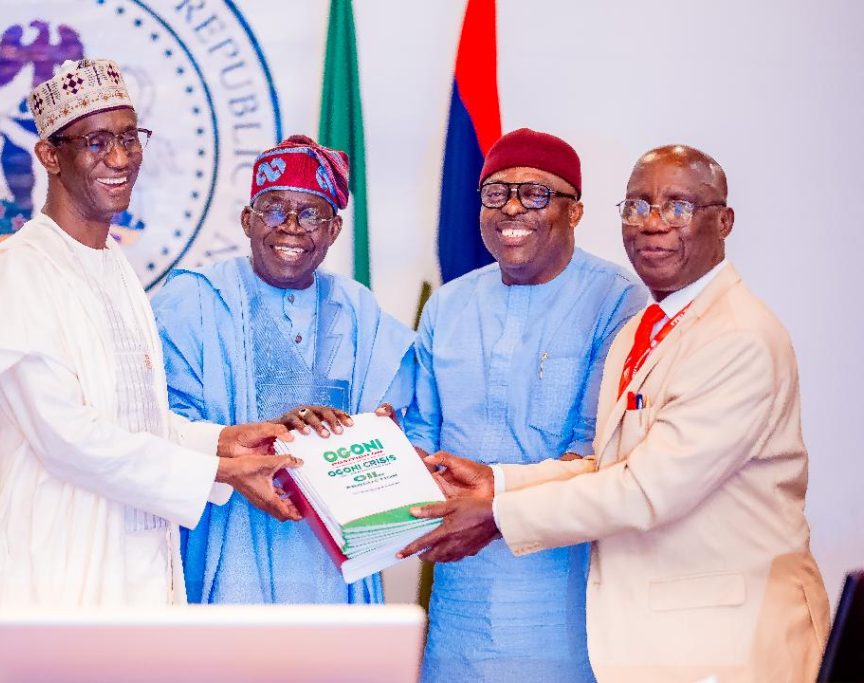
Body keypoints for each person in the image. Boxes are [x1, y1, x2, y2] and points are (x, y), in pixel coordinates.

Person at [0, 58, 301, 682]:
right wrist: (219, 471)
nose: (120, 158)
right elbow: (66, 437)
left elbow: (130, 416)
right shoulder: (14, 273)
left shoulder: (113, 269)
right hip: (54, 563)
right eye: (96, 142)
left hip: (133, 555)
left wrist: (222, 439)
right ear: (49, 155)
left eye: (130, 138)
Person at [401, 145, 831, 682]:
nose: (652, 224)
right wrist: (496, 480)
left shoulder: (737, 337)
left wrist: (496, 514)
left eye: (678, 207)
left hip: (725, 638)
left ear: (723, 221)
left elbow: (647, 490)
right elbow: (612, 462)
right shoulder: (646, 329)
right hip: (648, 633)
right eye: (637, 206)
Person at [402, 127, 646, 682]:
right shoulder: (449, 305)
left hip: (559, 597)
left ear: (575, 212)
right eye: (495, 193)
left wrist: (492, 498)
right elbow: (421, 429)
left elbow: (602, 453)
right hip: (458, 598)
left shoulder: (617, 301)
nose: (511, 208)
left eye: (535, 194)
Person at [152, 134, 416, 604]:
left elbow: (399, 420)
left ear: (334, 229)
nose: (291, 227)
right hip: (229, 539)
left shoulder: (358, 309)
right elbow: (157, 426)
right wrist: (263, 434)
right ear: (247, 220)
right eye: (274, 209)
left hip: (331, 552)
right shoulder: (191, 300)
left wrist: (353, 429)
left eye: (311, 213)